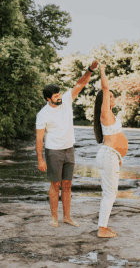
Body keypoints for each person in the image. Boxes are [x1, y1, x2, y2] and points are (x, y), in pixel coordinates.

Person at [36, 60, 99, 228]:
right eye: (55, 97)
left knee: (67, 184)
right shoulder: (43, 114)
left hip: (69, 149)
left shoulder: (67, 100)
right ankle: (54, 218)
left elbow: (81, 83)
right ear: (48, 98)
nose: (59, 98)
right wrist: (40, 159)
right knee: (55, 184)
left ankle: (67, 217)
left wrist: (90, 69)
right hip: (53, 151)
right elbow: (39, 138)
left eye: (59, 94)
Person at [93, 63, 128, 238]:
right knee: (109, 194)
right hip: (108, 156)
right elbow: (105, 88)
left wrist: (119, 155)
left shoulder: (111, 116)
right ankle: (102, 229)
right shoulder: (105, 113)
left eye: (113, 97)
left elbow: (114, 137)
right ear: (104, 101)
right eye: (110, 97)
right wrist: (102, 70)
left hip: (111, 156)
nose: (112, 98)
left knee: (110, 193)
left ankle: (104, 227)